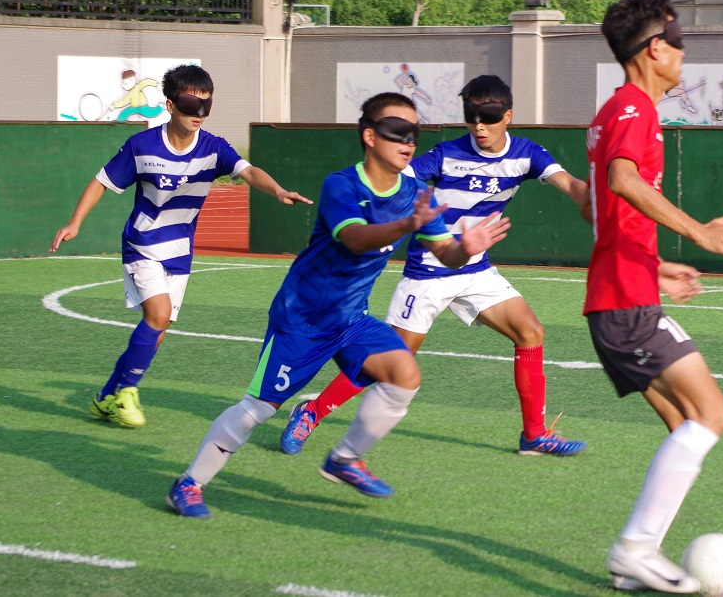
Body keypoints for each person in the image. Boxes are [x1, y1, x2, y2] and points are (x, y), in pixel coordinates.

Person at [166, 92, 511, 517]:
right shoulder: (341, 184)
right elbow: (355, 238)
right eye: (397, 132)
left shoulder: (417, 193)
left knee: (404, 374)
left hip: (351, 319)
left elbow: (446, 254)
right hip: (303, 319)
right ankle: (188, 483)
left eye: (415, 134)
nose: (408, 142)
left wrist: (466, 248)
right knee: (257, 408)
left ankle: (344, 459)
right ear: (370, 135)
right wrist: (408, 224)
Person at [279, 75, 588, 459]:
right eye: (471, 115)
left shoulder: (527, 154)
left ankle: (535, 435)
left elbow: (571, 185)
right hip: (429, 269)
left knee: (530, 331)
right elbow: (394, 178)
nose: (479, 124)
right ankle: (311, 411)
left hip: (476, 269)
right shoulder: (444, 155)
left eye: (489, 116)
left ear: (508, 115)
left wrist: (601, 197)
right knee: (390, 361)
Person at [583, 0, 723, 593]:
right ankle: (635, 548)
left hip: (625, 294)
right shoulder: (635, 110)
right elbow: (623, 180)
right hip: (624, 305)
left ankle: (635, 557)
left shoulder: (612, 110)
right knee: (711, 412)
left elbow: (602, 212)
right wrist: (698, 235)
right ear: (655, 48)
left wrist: (654, 267)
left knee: (686, 420)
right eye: (679, 40)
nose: (685, 52)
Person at [51, 64, 312, 429]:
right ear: (171, 104)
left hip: (180, 252)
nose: (200, 114)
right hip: (142, 244)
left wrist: (279, 190)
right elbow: (101, 181)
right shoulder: (142, 146)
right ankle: (126, 392)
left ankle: (105, 398)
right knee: (156, 317)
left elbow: (249, 172)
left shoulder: (214, 148)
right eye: (192, 104)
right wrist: (75, 222)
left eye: (207, 104)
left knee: (156, 332)